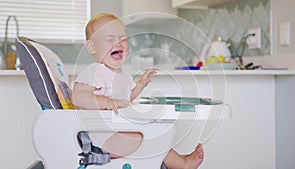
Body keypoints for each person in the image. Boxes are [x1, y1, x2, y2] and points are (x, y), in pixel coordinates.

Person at [71, 13, 204, 169]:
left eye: (123, 39)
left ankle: (177, 162)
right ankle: (182, 164)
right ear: (92, 47)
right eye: (110, 39)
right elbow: (78, 97)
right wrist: (107, 102)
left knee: (154, 132)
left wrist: (140, 85)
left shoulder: (122, 74)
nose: (118, 43)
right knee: (151, 135)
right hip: (104, 139)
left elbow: (126, 98)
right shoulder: (95, 72)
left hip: (118, 131)